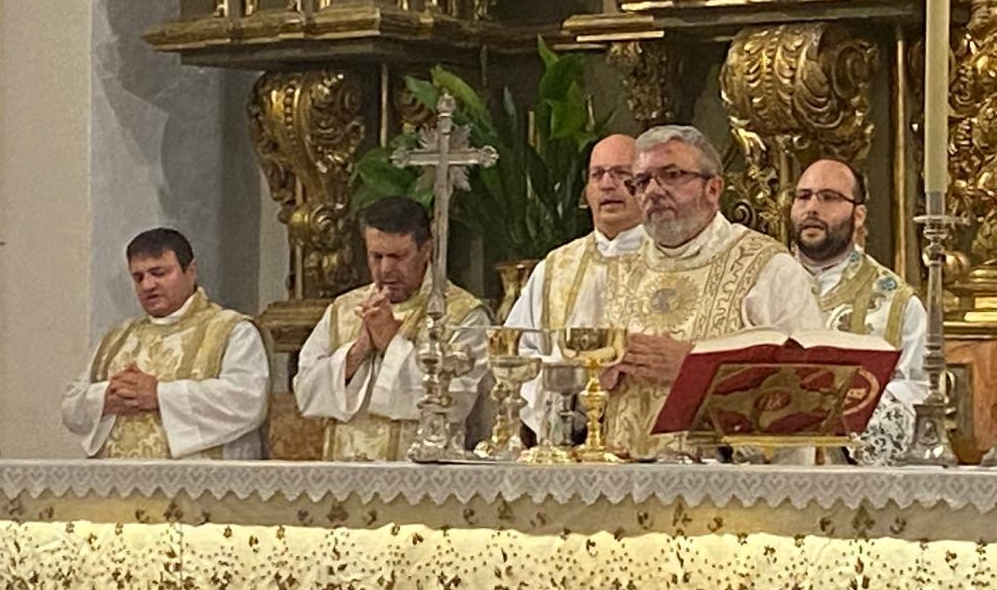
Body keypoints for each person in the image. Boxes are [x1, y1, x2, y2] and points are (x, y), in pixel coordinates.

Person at [598, 125, 825, 459]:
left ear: (713, 188)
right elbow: (578, 393)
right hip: (624, 479)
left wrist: (696, 370)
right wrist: (597, 378)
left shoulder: (767, 267)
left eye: (672, 175)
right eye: (642, 181)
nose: (654, 191)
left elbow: (809, 389)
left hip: (728, 484)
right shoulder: (617, 271)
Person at [295, 196, 489, 461]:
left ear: (426, 250)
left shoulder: (462, 313)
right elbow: (306, 394)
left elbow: (457, 401)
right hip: (343, 476)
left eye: (398, 257)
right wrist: (358, 351)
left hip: (422, 477)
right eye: (376, 256)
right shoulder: (344, 309)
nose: (386, 269)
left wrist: (391, 344)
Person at [62, 228, 269, 459]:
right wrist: (105, 398)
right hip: (114, 480)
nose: (147, 285)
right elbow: (70, 407)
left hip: (196, 479)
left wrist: (160, 395)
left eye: (159, 273)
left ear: (191, 271)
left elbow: (248, 401)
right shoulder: (118, 339)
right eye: (138, 277)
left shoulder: (230, 330)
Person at [790, 158, 929, 464]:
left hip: (853, 476)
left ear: (859, 215)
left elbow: (917, 389)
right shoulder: (761, 284)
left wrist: (840, 424)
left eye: (829, 197)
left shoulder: (898, 303)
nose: (812, 208)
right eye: (803, 196)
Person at [505, 133, 645, 435]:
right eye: (597, 175)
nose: (607, 184)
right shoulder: (555, 267)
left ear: (646, 185)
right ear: (586, 191)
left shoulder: (670, 260)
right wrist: (571, 392)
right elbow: (518, 352)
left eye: (622, 173)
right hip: (566, 437)